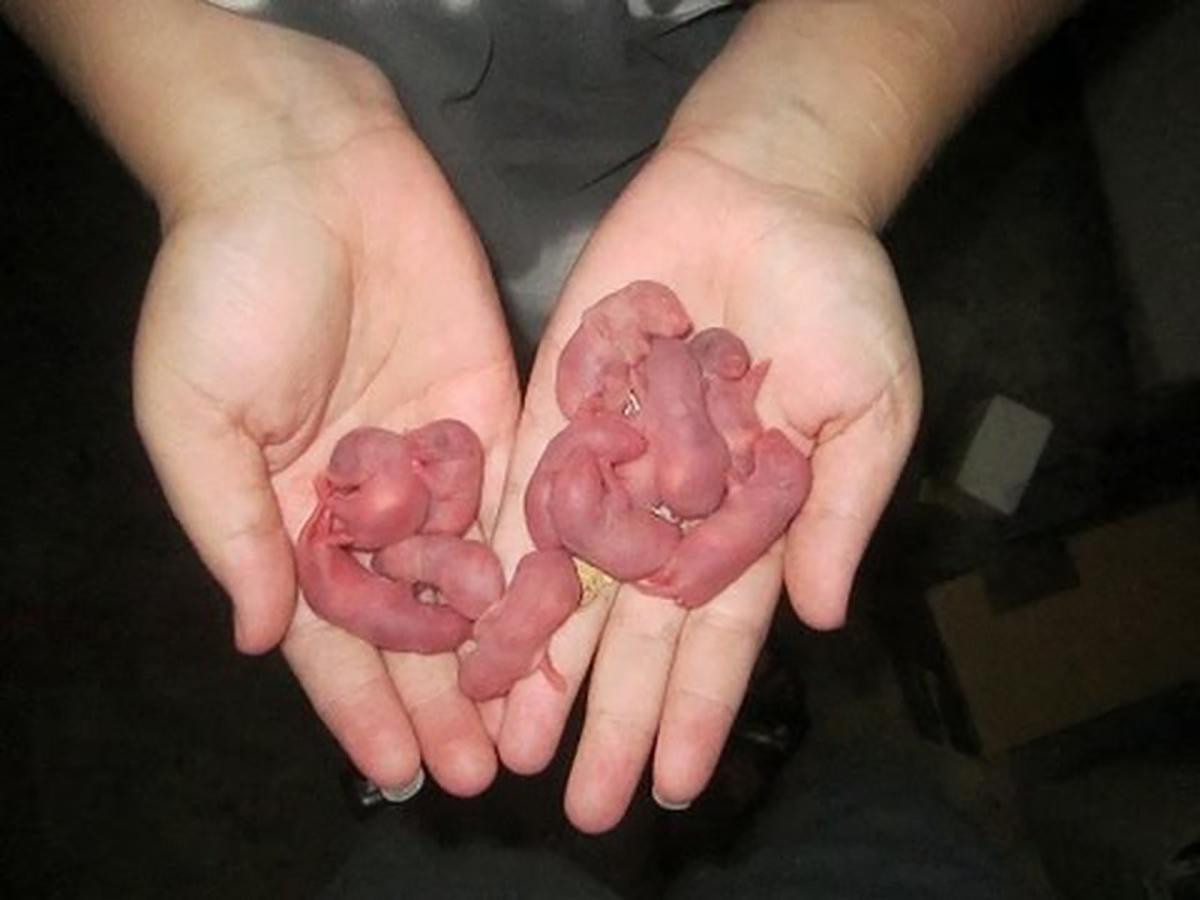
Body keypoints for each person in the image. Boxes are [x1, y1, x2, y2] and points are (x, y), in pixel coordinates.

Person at [1, 0, 1079, 840]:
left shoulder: (627, 437)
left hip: (677, 137)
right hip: (372, 223)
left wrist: (814, 137)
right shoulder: (531, 487)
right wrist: (221, 134)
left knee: (631, 515)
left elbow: (648, 474)